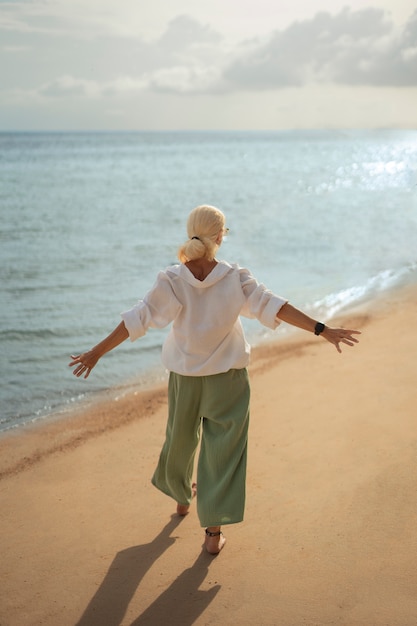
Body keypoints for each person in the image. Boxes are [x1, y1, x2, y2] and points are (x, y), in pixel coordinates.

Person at [69, 205, 360, 555]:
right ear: (220, 236)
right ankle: (212, 535)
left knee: (180, 440)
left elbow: (139, 318)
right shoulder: (235, 277)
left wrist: (97, 352)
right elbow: (274, 307)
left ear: (191, 232)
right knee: (223, 451)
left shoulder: (173, 279)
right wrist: (322, 329)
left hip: (186, 379)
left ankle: (180, 498)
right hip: (228, 381)